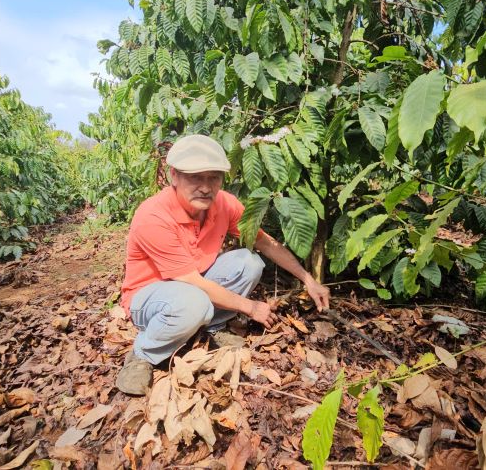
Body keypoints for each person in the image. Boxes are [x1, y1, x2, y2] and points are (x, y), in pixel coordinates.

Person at [115, 134, 331, 395]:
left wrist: (308, 279)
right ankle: (143, 354)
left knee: (249, 262)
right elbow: (194, 284)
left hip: (193, 286)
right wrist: (250, 307)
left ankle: (211, 327)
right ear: (174, 176)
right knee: (194, 302)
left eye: (213, 177)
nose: (206, 187)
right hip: (149, 298)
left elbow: (264, 243)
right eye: (195, 177)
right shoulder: (154, 216)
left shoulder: (224, 204)